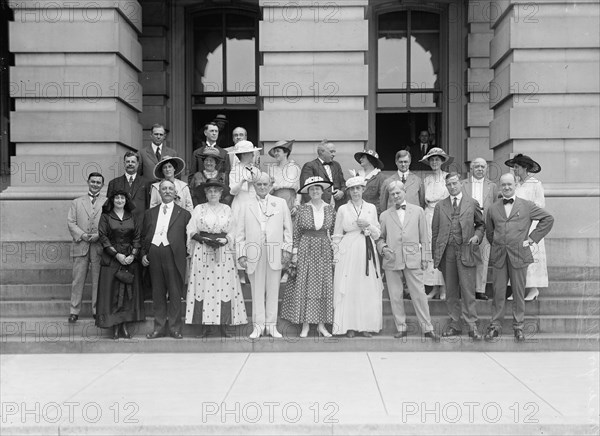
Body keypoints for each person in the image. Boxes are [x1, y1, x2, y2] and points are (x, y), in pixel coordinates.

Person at [484, 173, 554, 342]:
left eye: (509, 184)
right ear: (500, 186)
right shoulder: (493, 208)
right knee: (498, 292)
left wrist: (532, 238)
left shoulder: (527, 205)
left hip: (519, 255)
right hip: (500, 255)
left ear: (515, 184)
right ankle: (495, 326)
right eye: (503, 185)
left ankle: (519, 327)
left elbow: (548, 218)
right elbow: (489, 231)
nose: (507, 187)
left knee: (518, 292)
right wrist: (499, 243)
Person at [185, 179, 247, 338]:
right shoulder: (199, 209)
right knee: (203, 285)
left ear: (221, 193)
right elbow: (191, 229)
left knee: (224, 286)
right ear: (205, 194)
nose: (213, 193)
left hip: (222, 250)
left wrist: (226, 240)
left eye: (216, 191)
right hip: (203, 249)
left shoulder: (227, 209)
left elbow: (234, 229)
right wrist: (202, 239)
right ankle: (205, 325)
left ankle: (224, 324)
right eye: (210, 191)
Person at [377, 181, 439, 340]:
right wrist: (383, 248)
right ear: (389, 196)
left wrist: (425, 257)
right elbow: (379, 238)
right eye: (392, 194)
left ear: (404, 192)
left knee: (419, 294)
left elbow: (425, 236)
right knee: (395, 295)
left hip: (413, 258)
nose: (396, 196)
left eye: (398, 193)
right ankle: (401, 327)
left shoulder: (418, 211)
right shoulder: (384, 215)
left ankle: (427, 328)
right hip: (392, 259)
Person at [236, 172, 293, 339]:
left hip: (275, 250)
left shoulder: (280, 203)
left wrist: (287, 250)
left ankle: (272, 325)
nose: (262, 187)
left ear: (270, 186)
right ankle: (258, 326)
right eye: (259, 184)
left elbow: (287, 230)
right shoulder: (246, 205)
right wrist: (241, 254)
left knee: (273, 290)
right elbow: (240, 233)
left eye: (265, 184)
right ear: (254, 186)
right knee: (257, 290)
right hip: (254, 251)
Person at [432, 173, 485, 340]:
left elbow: (481, 225)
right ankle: (455, 324)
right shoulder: (440, 206)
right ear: (446, 186)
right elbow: (435, 232)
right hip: (447, 252)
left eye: (454, 183)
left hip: (466, 249)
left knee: (468, 290)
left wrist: (477, 236)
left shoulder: (472, 203)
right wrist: (436, 255)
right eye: (449, 185)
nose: (452, 187)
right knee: (451, 291)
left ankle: (471, 326)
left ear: (460, 183)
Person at [281, 176, 336, 338]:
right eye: (312, 189)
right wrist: (295, 254)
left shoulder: (330, 209)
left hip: (324, 248)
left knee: (323, 284)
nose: (315, 191)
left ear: (322, 190)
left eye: (317, 188)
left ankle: (321, 325)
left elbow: (333, 233)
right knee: (305, 283)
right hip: (305, 247)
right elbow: (296, 233)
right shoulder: (302, 209)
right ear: (308, 192)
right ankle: (305, 325)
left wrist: (335, 252)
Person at [332, 176, 383, 338]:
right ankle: (349, 326)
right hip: (348, 251)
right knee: (349, 286)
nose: (355, 192)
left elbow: (377, 232)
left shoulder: (371, 208)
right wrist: (336, 255)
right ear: (348, 192)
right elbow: (337, 234)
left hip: (366, 249)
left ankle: (366, 325)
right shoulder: (342, 210)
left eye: (358, 188)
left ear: (363, 190)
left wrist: (368, 226)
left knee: (366, 287)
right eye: (352, 189)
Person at [141, 179, 192, 339]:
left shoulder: (184, 214)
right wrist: (144, 253)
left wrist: (185, 254)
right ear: (159, 192)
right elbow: (144, 235)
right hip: (154, 253)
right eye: (164, 188)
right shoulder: (150, 213)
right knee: (158, 292)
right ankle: (159, 327)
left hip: (174, 254)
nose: (167, 191)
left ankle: (175, 327)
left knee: (175, 292)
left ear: (175, 192)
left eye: (170, 188)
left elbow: (188, 237)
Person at [96, 190, 145, 339]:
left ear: (126, 200)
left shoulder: (132, 217)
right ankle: (114, 327)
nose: (119, 200)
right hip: (111, 258)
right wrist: (116, 254)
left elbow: (137, 237)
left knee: (127, 294)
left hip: (130, 258)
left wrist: (133, 254)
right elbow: (103, 237)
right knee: (113, 292)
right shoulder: (105, 217)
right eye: (116, 198)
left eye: (122, 198)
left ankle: (124, 326)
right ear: (112, 200)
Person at [506, 154, 548, 301]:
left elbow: (540, 205)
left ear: (525, 168)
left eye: (517, 167)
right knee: (516, 256)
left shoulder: (535, 183)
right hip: (516, 225)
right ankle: (517, 290)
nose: (514, 170)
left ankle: (533, 289)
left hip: (531, 225)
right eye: (514, 167)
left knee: (530, 255)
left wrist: (525, 211)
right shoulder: (516, 184)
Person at [67, 172, 106, 323]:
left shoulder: (107, 202)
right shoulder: (77, 202)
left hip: (98, 245)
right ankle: (74, 310)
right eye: (93, 181)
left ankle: (96, 310)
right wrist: (82, 235)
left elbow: (109, 222)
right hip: (80, 244)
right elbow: (71, 222)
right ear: (88, 182)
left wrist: (99, 235)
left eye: (98, 182)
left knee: (98, 279)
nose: (95, 184)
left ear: (102, 185)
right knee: (78, 280)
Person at [420, 147, 454, 300]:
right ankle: (433, 287)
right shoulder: (426, 180)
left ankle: (445, 288)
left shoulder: (448, 178)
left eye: (437, 159)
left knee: (443, 250)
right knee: (430, 250)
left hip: (443, 215)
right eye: (432, 159)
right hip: (428, 216)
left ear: (442, 161)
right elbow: (422, 202)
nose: (434, 162)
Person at [462, 158, 498, 300]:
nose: (480, 169)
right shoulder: (462, 184)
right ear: (471, 169)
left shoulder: (493, 186)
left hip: (485, 224)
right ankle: (466, 288)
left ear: (486, 169)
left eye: (483, 167)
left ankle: (479, 289)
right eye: (477, 166)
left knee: (483, 257)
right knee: (465, 257)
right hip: (467, 224)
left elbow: (495, 206)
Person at [107, 151, 150, 226]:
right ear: (124, 164)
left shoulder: (146, 183)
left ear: (137, 164)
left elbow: (149, 206)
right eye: (127, 161)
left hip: (140, 225)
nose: (130, 164)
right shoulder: (113, 183)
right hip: (118, 227)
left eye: (133, 162)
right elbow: (109, 208)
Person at [300, 141, 346, 210]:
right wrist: (313, 207)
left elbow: (343, 183)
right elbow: (306, 189)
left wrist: (342, 192)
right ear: (321, 152)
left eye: (334, 152)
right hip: (318, 207)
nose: (334, 154)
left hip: (337, 206)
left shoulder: (336, 165)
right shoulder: (310, 166)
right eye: (331, 151)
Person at [228, 140, 263, 223]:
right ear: (244, 154)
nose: (253, 155)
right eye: (251, 152)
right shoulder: (235, 170)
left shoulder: (255, 170)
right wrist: (242, 181)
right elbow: (233, 192)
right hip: (240, 203)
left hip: (254, 203)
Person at [267, 139, 302, 216]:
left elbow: (299, 189)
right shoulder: (272, 169)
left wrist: (296, 205)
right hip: (275, 200)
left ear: (286, 152)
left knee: (290, 225)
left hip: (290, 200)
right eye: (275, 151)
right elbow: (268, 191)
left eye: (278, 151)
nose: (275, 153)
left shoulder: (295, 168)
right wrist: (271, 185)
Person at [353, 149, 387, 216]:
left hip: (373, 214)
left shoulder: (380, 177)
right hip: (357, 213)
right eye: (360, 157)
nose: (360, 159)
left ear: (370, 159)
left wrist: (374, 212)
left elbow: (383, 199)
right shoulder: (358, 175)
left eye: (363, 157)